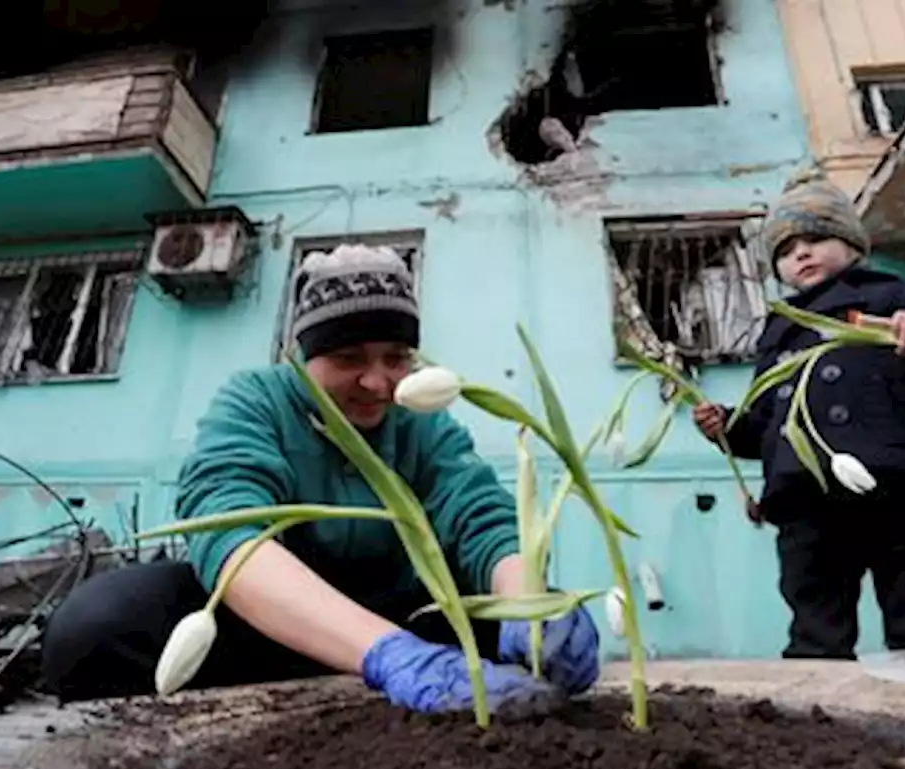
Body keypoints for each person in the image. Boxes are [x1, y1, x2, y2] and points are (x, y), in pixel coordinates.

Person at [41, 243, 600, 712]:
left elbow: (480, 515)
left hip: (405, 614)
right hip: (273, 622)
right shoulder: (256, 400)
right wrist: (386, 652)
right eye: (349, 357)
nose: (379, 383)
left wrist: (527, 603)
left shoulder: (420, 419)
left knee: (523, 631)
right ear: (303, 356)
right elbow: (231, 535)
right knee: (97, 626)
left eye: (396, 357)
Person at [692, 167, 905, 661]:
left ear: (853, 245)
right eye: (786, 250)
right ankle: (819, 723)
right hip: (809, 501)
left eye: (815, 239)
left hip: (904, 489)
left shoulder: (896, 298)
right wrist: (728, 427)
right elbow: (770, 424)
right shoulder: (779, 332)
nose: (801, 254)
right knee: (815, 622)